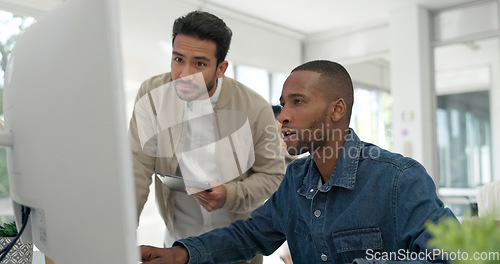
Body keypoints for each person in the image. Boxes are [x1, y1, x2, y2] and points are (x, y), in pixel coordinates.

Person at [139, 60, 457, 264]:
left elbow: (452, 255)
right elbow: (249, 235)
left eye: (298, 102)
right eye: (283, 104)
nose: (284, 115)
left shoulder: (399, 179)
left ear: (337, 110)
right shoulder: (295, 179)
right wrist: (180, 253)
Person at [128, 10, 285, 264]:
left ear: (221, 68)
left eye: (199, 63)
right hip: (176, 246)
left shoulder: (254, 107)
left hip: (237, 251)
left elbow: (273, 176)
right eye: (178, 59)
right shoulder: (152, 95)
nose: (183, 74)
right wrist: (119, 240)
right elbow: (136, 171)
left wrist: (230, 194)